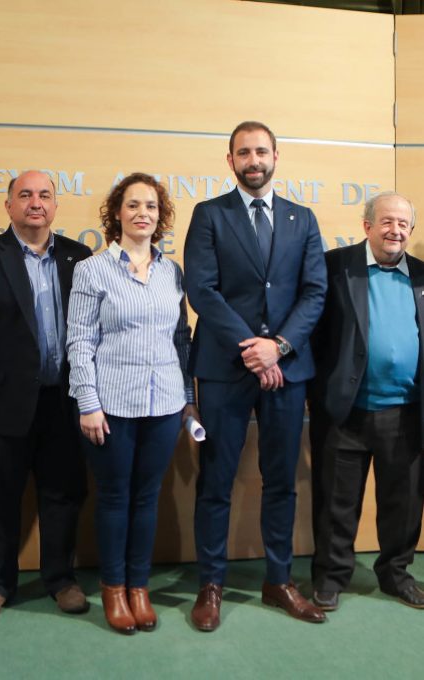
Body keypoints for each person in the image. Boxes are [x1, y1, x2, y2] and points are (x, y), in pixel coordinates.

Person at [184, 121, 328, 630]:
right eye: (243, 152)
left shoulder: (302, 218)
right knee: (216, 480)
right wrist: (253, 348)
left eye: (261, 151)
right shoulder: (208, 215)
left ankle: (279, 580)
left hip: (287, 369)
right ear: (230, 161)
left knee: (282, 481)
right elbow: (202, 290)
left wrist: (279, 347)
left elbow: (315, 293)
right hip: (226, 367)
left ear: (276, 156)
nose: (253, 159)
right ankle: (211, 584)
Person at [0, 170, 91, 620]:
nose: (35, 202)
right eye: (25, 194)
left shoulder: (79, 258)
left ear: (55, 206)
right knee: (0, 497)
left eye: (44, 195)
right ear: (7, 206)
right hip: (2, 406)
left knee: (63, 496)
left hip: (63, 404)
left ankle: (61, 579)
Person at [67, 172, 197, 634]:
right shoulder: (92, 270)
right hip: (110, 407)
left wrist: (186, 400)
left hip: (163, 404)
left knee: (147, 498)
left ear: (160, 217)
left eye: (152, 207)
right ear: (117, 213)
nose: (143, 214)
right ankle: (114, 589)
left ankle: (139, 587)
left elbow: (180, 341)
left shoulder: (171, 271)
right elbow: (79, 342)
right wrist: (88, 403)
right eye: (134, 205)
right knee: (115, 498)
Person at [309, 191, 424, 611]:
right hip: (345, 410)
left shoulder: (422, 276)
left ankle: (396, 574)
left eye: (404, 224)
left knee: (404, 502)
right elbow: (313, 333)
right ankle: (331, 576)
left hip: (407, 411)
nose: (395, 230)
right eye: (387, 221)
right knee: (337, 501)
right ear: (367, 226)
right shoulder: (335, 266)